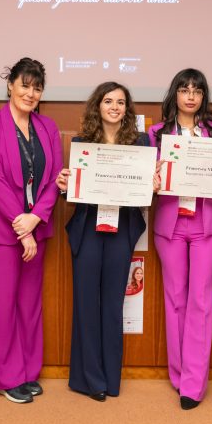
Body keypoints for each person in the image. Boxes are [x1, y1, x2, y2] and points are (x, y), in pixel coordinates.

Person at [149, 68, 212, 410]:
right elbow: (148, 179)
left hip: (206, 224)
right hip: (170, 223)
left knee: (201, 302)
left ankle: (193, 383)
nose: (191, 95)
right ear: (174, 94)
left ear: (204, 97)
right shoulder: (155, 133)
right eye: (184, 89)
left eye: (197, 90)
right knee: (174, 299)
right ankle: (178, 376)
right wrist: (153, 178)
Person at [0, 58, 63, 403]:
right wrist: (21, 226)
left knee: (29, 304)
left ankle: (27, 372)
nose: (31, 93)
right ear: (10, 85)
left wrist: (36, 218)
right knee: (2, 305)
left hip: (34, 228)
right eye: (25, 85)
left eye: (37, 87)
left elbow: (56, 177)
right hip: (0, 230)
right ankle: (7, 378)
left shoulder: (48, 127)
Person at [56, 82, 151, 402]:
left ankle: (112, 379)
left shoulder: (140, 142)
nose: (114, 107)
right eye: (108, 101)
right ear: (98, 106)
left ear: (127, 109)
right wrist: (63, 184)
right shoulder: (83, 143)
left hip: (121, 228)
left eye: (121, 102)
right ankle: (89, 379)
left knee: (112, 305)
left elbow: (145, 194)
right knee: (86, 303)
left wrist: (152, 183)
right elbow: (73, 191)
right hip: (89, 228)